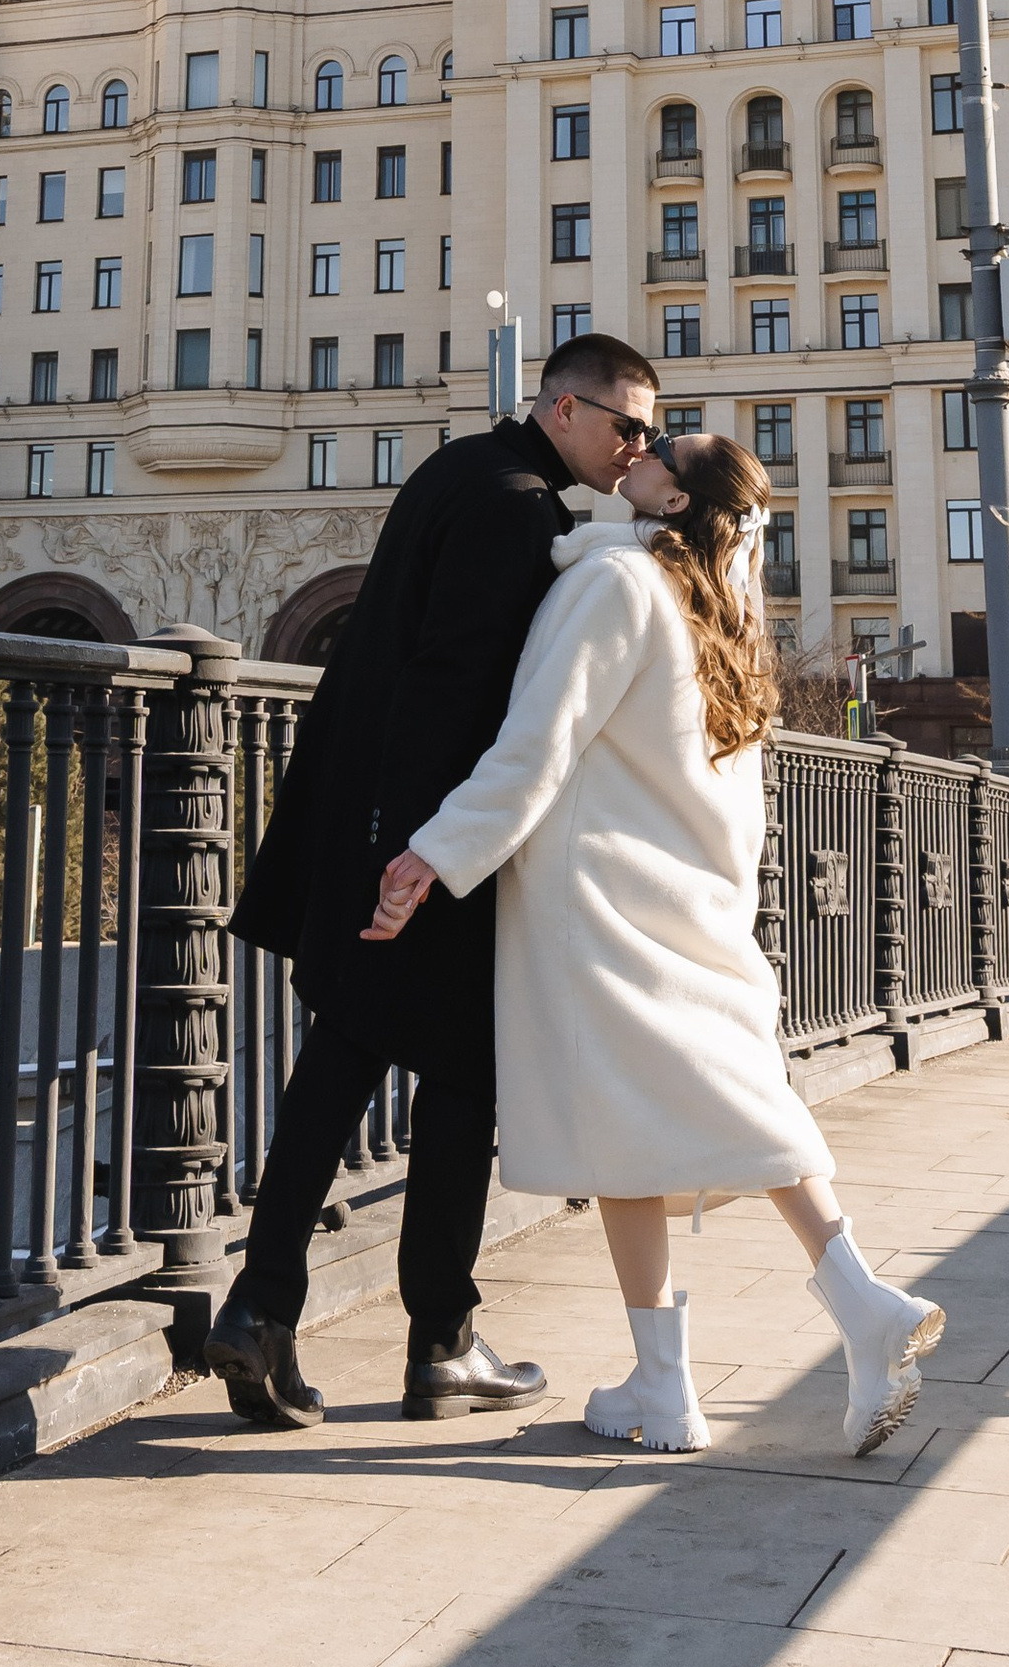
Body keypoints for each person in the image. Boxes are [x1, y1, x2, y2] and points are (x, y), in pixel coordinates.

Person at [364, 429, 947, 1458]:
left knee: (624, 1130)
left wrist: (433, 852)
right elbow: (737, 792)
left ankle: (689, 1377)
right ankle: (817, 1319)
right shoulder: (720, 612)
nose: (637, 451)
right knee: (714, 1104)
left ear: (673, 502)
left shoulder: (614, 587)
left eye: (661, 452)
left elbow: (536, 744)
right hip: (688, 896)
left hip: (597, 898)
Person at [206, 332, 662, 1428]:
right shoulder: (516, 509)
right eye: (624, 425)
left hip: (377, 823)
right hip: (425, 844)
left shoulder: (459, 472)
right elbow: (454, 689)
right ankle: (436, 1343)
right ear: (562, 408)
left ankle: (270, 1309)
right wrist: (422, 856)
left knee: (345, 1062)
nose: (632, 445)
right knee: (460, 1081)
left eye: (646, 433)